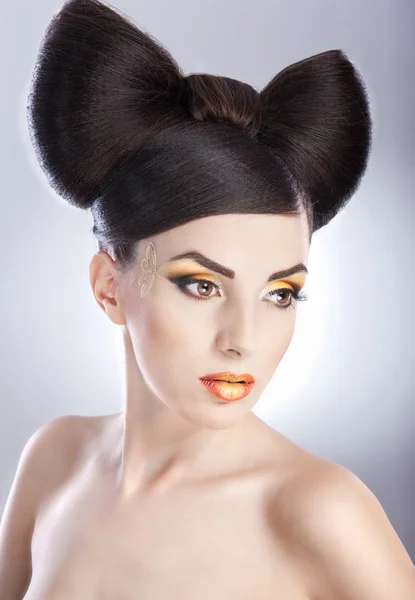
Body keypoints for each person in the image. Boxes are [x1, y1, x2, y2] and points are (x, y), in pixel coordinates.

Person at [1, 0, 414, 598]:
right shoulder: (56, 460)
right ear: (108, 286)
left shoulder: (315, 511)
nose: (241, 337)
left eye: (280, 292)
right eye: (202, 285)